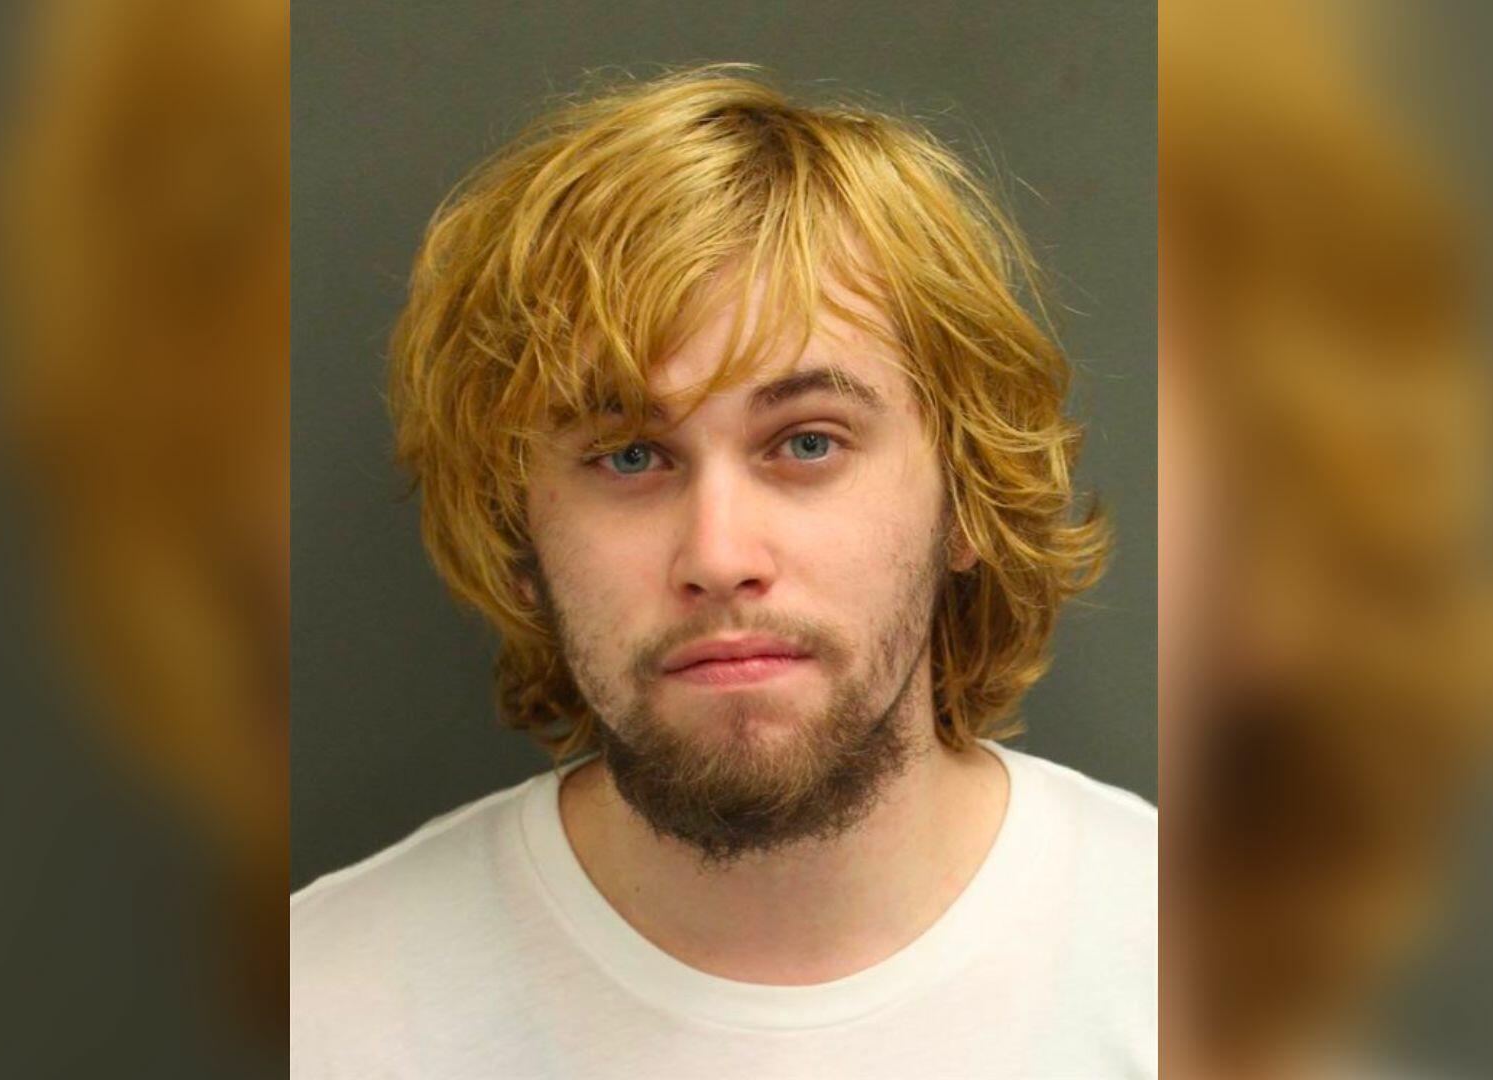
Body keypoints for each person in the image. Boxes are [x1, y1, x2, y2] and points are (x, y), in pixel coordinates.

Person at [292, 64, 1155, 1079]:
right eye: (630, 457)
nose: (718, 556)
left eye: (808, 443)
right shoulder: (320, 1011)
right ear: (515, 536)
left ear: (965, 499)